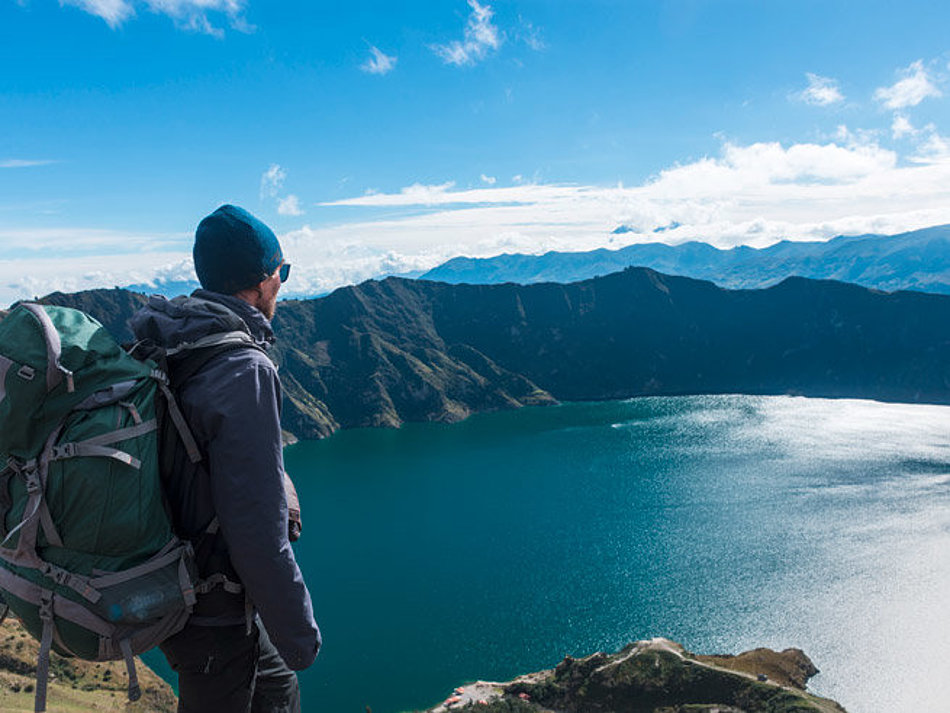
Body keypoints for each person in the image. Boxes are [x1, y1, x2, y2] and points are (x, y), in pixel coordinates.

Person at [129, 204, 321, 713]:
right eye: (283, 272)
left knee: (278, 691)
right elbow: (258, 529)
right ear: (263, 281)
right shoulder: (242, 369)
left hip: (174, 577)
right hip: (209, 612)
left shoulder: (168, 336)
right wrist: (301, 636)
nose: (282, 284)